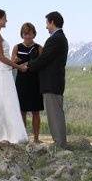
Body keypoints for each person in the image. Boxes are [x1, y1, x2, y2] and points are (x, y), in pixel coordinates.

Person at [20, 11, 69, 148]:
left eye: (47, 23)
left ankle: (59, 143)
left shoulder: (55, 39)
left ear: (52, 22)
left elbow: (44, 59)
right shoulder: (59, 38)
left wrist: (27, 65)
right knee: (55, 113)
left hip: (52, 82)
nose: (46, 27)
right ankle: (59, 142)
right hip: (54, 82)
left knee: (55, 114)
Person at [0, 8, 29, 144]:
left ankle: (8, 134)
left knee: (7, 102)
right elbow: (1, 58)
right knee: (4, 103)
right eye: (5, 18)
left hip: (4, 71)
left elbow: (3, 57)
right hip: (2, 72)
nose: (6, 20)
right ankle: (5, 135)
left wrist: (13, 62)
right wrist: (19, 67)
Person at [12, 22, 44, 143]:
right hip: (21, 82)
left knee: (35, 111)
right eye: (25, 34)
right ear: (22, 34)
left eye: (30, 34)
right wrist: (16, 62)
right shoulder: (17, 47)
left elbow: (41, 65)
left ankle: (36, 138)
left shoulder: (39, 48)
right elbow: (12, 65)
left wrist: (24, 63)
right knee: (22, 111)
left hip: (35, 82)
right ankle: (24, 138)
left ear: (34, 34)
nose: (27, 36)